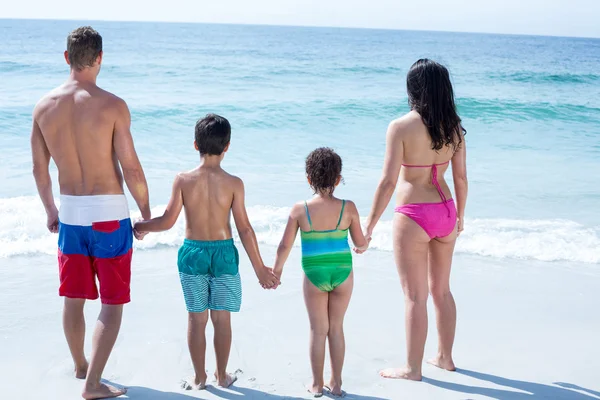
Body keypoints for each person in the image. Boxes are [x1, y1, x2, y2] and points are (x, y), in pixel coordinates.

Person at [30, 26, 151, 399]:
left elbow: (39, 170)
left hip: (70, 215)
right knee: (111, 303)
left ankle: (82, 366)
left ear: (66, 58)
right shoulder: (112, 105)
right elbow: (130, 167)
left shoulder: (44, 107)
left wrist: (51, 209)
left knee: (74, 298)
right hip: (109, 215)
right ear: (100, 59)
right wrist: (145, 212)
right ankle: (94, 383)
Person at [133, 114, 280, 390]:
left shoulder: (183, 180)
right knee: (222, 318)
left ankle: (200, 378)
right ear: (227, 147)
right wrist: (260, 268)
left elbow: (167, 220)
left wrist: (142, 226)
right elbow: (245, 229)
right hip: (224, 254)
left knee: (196, 318)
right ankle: (222, 376)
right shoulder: (234, 183)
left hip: (193, 254)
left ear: (195, 145)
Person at [364, 59, 468, 381]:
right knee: (442, 291)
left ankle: (412, 368)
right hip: (446, 210)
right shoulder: (454, 128)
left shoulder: (400, 127)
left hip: (414, 215)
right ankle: (445, 357)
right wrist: (460, 215)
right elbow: (461, 178)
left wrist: (369, 224)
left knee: (414, 296)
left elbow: (387, 182)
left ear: (413, 89)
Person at [273, 147, 369, 397]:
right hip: (342, 273)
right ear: (338, 179)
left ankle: (316, 385)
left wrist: (277, 272)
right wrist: (365, 243)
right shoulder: (348, 208)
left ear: (308, 179)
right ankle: (336, 384)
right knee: (336, 328)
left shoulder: (300, 209)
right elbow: (359, 243)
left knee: (318, 330)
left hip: (314, 274)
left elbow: (284, 245)